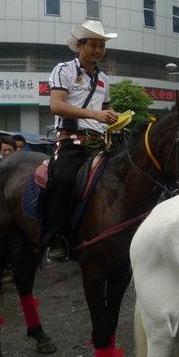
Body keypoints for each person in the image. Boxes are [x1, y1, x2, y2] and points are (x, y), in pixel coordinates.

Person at [40, 20, 118, 252]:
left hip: (100, 142)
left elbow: (107, 109)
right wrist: (95, 114)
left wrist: (117, 116)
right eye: (93, 45)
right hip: (71, 140)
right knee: (63, 180)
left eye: (102, 46)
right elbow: (56, 106)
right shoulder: (63, 70)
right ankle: (54, 238)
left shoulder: (104, 79)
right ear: (79, 45)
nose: (98, 50)